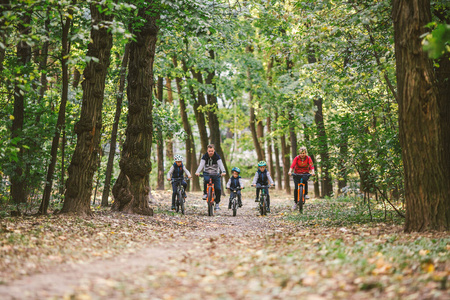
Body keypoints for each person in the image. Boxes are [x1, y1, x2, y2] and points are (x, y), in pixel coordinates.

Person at [195, 144, 226, 210]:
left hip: (215, 174)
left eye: (212, 151)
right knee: (206, 180)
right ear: (207, 151)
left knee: (218, 189)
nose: (210, 152)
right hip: (207, 173)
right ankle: (205, 193)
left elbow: (221, 165)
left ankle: (217, 204)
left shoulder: (217, 156)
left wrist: (223, 171)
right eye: (209, 151)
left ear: (214, 150)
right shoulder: (204, 156)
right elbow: (201, 165)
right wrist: (197, 171)